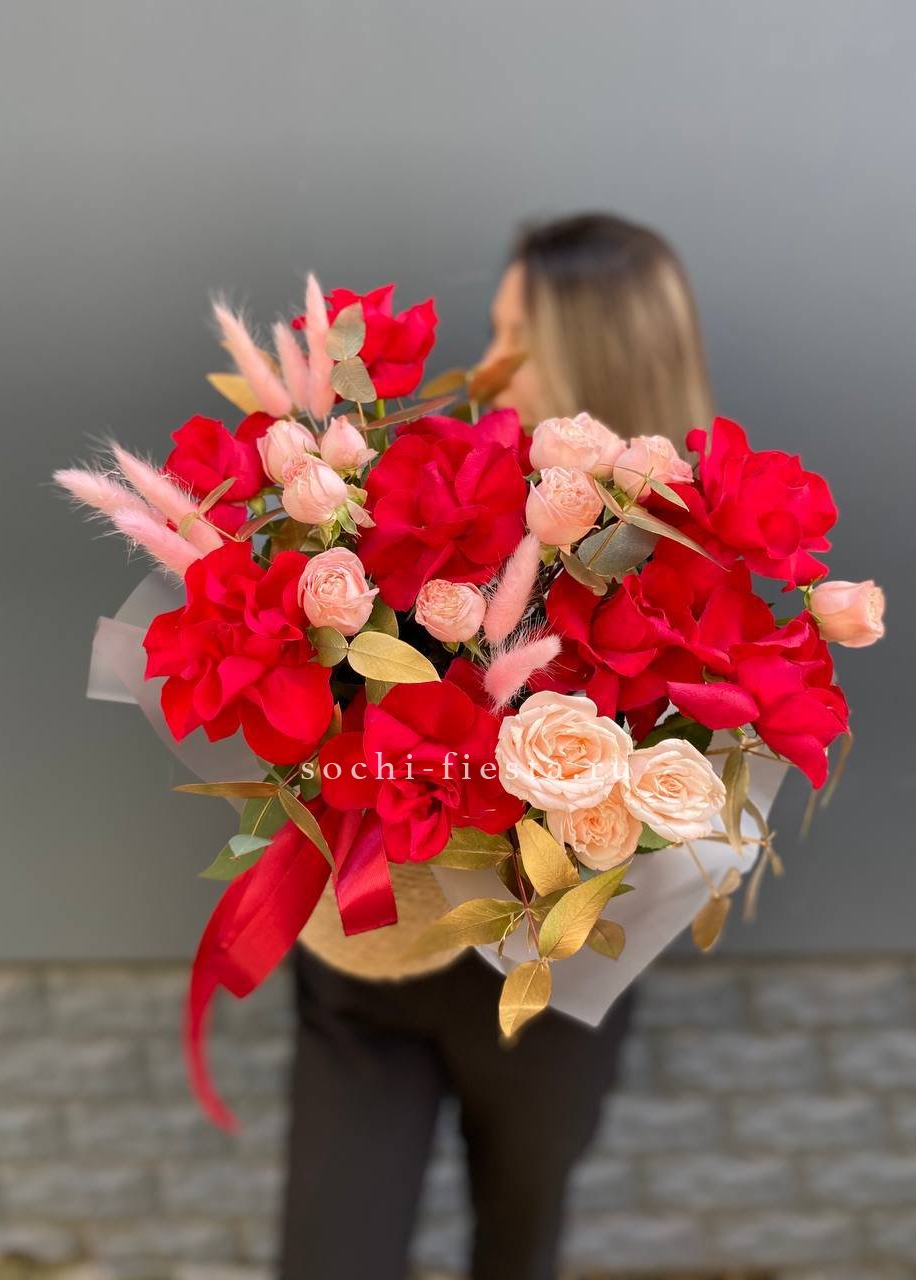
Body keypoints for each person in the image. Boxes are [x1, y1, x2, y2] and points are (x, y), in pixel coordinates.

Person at [280, 213, 714, 1280]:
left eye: (519, 334)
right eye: (494, 326)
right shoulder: (430, 481)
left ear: (597, 354)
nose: (490, 361)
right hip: (375, 950)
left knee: (518, 1251)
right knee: (331, 1255)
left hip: (544, 991)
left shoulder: (701, 566)